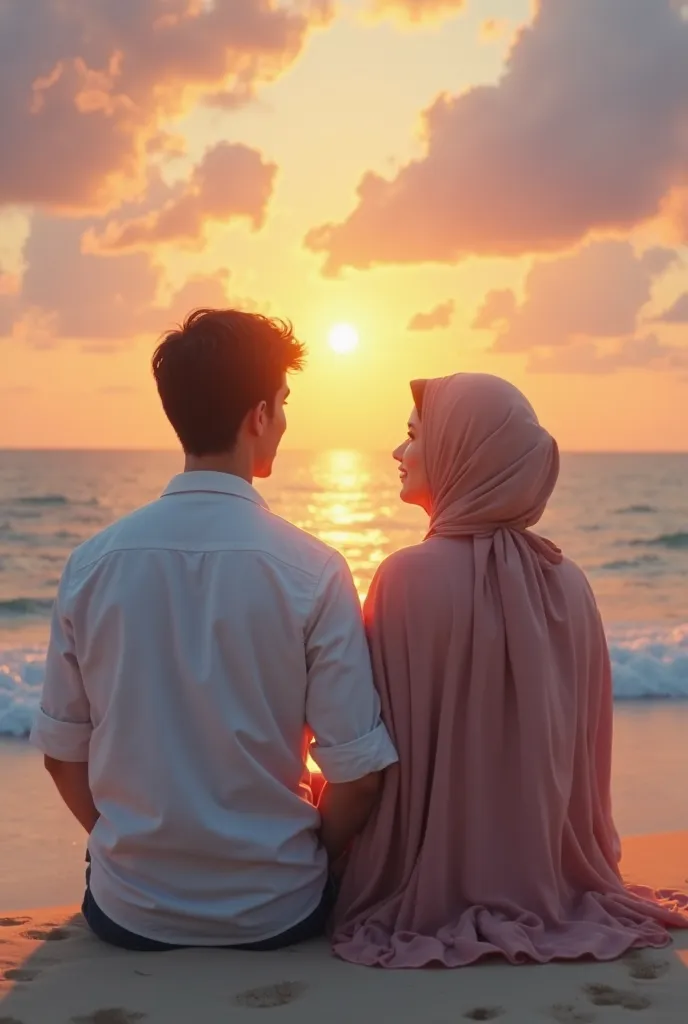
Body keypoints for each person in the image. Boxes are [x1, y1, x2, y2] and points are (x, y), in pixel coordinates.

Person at [30, 308, 397, 952]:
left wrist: (124, 845)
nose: (283, 421)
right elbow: (358, 778)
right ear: (258, 415)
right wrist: (317, 854)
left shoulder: (92, 562)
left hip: (130, 913)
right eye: (282, 403)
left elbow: (64, 752)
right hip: (276, 912)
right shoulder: (313, 569)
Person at [331, 373, 688, 968]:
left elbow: (388, 754)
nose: (398, 452)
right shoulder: (569, 582)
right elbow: (585, 756)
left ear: (461, 452)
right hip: (556, 874)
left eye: (413, 436)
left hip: (426, 877)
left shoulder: (406, 578)